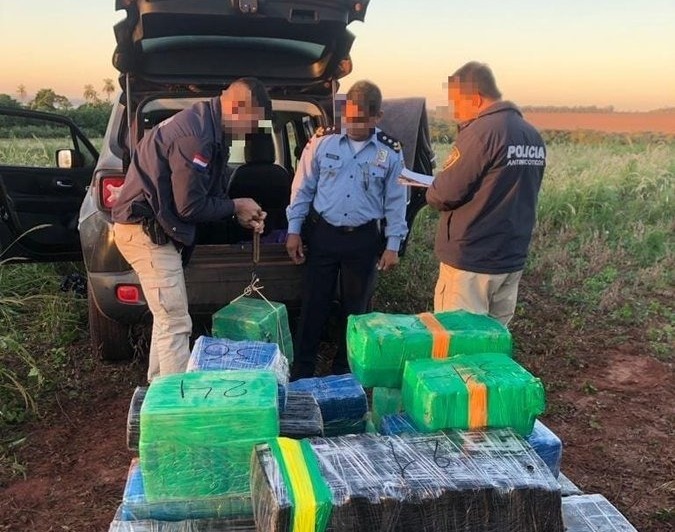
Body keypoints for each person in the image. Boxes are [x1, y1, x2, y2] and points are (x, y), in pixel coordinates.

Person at [110, 78, 270, 381]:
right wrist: (237, 206)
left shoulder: (209, 126)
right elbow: (189, 207)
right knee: (176, 323)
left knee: (166, 320)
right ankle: (175, 412)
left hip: (155, 229)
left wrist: (239, 213)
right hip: (145, 233)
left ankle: (157, 393)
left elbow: (209, 194)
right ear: (237, 108)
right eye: (252, 123)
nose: (251, 132)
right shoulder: (196, 136)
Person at [286, 80, 408, 379]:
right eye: (349, 117)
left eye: (361, 119)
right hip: (324, 235)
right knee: (314, 304)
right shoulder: (322, 141)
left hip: (364, 240)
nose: (353, 124)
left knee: (355, 311)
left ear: (377, 117)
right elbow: (302, 188)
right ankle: (303, 370)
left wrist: (393, 244)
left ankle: (344, 372)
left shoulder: (389, 152)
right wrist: (294, 229)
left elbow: (396, 200)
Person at [426, 61, 546, 326]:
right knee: (492, 346)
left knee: (458, 345)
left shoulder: (481, 132)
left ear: (476, 98)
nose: (454, 112)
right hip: (509, 259)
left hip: (471, 262)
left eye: (457, 103)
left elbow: (444, 193)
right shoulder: (532, 135)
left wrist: (433, 187)